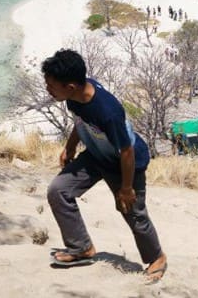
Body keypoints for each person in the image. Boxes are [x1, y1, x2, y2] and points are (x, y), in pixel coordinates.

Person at [42, 49, 167, 281]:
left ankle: (157, 257)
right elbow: (80, 121)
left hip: (126, 163)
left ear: (70, 86)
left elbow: (127, 150)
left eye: (51, 86)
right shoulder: (75, 96)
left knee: (132, 212)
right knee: (59, 190)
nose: (48, 90)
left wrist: (126, 188)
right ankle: (81, 248)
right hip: (96, 155)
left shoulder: (107, 111)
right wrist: (70, 147)